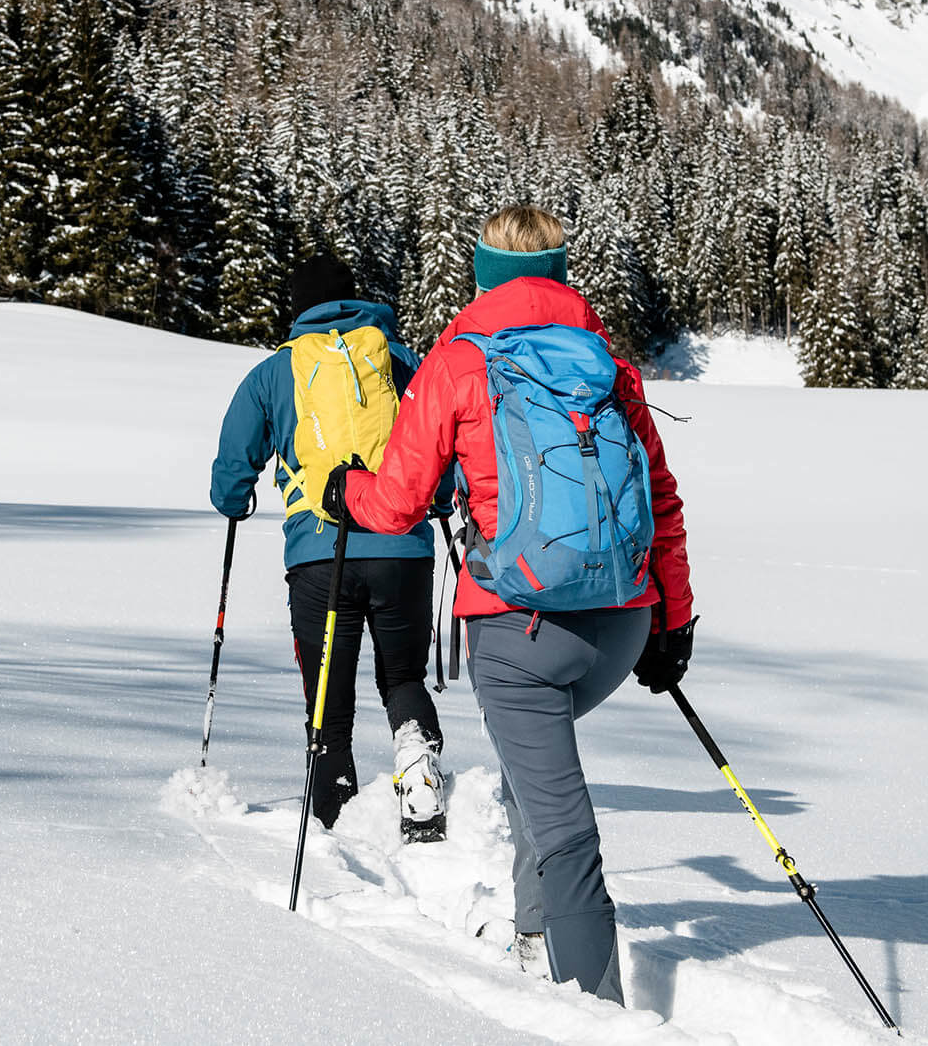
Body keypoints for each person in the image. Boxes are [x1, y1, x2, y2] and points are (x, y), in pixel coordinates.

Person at [320, 206, 696, 1003]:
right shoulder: (607, 363)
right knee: (537, 773)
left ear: (482, 272)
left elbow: (396, 502)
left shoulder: (459, 363)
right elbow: (660, 502)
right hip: (622, 622)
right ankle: (534, 939)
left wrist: (341, 489)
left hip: (518, 630)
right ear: (559, 272)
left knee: (563, 828)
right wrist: (674, 618)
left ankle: (597, 1006)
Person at [209, 253, 449, 840]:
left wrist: (236, 498)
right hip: (403, 551)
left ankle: (335, 820)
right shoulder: (395, 361)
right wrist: (438, 503)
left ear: (299, 309)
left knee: (327, 701)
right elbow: (438, 448)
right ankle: (417, 765)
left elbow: (231, 475)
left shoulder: (276, 372)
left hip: (320, 558)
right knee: (403, 679)